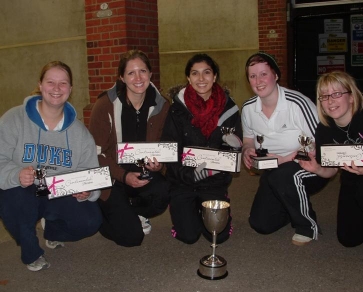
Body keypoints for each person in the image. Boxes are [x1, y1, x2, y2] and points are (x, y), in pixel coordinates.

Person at [0, 61, 102, 271]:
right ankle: (31, 252)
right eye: (51, 82)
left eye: (63, 83)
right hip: (24, 189)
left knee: (90, 221)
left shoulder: (80, 133)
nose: (56, 88)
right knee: (14, 201)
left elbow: (90, 173)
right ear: (40, 85)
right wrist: (15, 174)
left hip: (58, 190)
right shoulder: (14, 119)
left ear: (70, 89)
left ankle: (53, 230)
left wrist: (87, 191)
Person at [299, 71, 363, 262]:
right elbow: (330, 169)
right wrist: (317, 169)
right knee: (348, 239)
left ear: (352, 97)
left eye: (337, 94)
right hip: (353, 176)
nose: (330, 101)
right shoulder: (324, 128)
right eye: (324, 96)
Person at [241, 52, 329, 246]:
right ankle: (291, 204)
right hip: (274, 170)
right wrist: (247, 150)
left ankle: (307, 225)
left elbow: (319, 144)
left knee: (283, 175)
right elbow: (248, 139)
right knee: (260, 224)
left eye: (264, 74)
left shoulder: (297, 103)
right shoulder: (248, 108)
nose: (258, 80)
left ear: (276, 75)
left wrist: (283, 160)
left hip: (311, 166)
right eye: (252, 76)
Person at [89, 49, 170, 247]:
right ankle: (98, 212)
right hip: (113, 177)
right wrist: (123, 176)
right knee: (132, 238)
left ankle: (134, 212)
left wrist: (160, 166)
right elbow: (95, 153)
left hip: (143, 175)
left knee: (164, 191)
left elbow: (166, 146)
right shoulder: (104, 105)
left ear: (150, 74)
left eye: (142, 71)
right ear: (122, 77)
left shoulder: (163, 105)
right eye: (131, 73)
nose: (138, 78)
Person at [161, 53, 242, 244]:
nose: (201, 78)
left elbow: (232, 152)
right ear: (188, 78)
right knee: (188, 236)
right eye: (195, 73)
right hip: (183, 179)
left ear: (214, 76)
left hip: (213, 180)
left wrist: (220, 165)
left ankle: (214, 201)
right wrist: (189, 176)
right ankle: (182, 209)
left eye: (206, 73)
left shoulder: (230, 109)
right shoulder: (176, 109)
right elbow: (170, 150)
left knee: (218, 235)